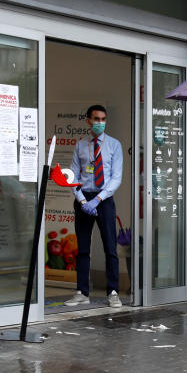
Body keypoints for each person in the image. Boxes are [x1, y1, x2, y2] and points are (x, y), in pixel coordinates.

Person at [65, 105, 123, 308]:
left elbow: (116, 178)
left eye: (103, 119)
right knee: (82, 247)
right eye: (96, 119)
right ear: (88, 120)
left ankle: (113, 292)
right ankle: (82, 291)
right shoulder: (80, 145)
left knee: (110, 248)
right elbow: (73, 176)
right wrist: (82, 201)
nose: (100, 123)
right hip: (83, 199)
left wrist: (97, 200)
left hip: (104, 199)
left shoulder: (114, 145)